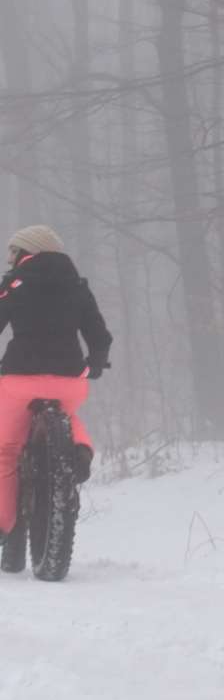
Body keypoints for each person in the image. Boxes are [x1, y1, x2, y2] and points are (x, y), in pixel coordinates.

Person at [0, 226, 111, 542]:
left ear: (27, 252)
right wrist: (94, 366)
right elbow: (100, 338)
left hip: (19, 380)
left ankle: (3, 525)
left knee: (6, 449)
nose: (8, 258)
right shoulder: (77, 287)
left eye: (12, 251)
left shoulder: (13, 284)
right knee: (69, 416)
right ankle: (79, 449)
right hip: (68, 380)